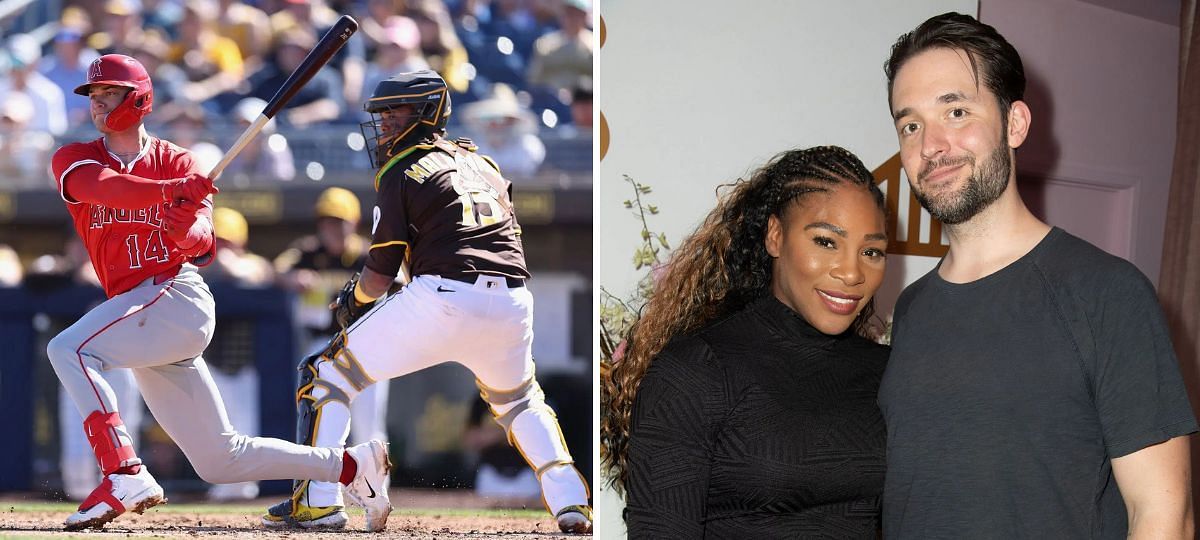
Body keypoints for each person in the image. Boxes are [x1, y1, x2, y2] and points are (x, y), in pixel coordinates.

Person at [879, 13, 1197, 539]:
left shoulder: (1108, 293)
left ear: (1015, 124)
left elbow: (1164, 517)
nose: (930, 144)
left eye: (956, 111)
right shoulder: (912, 308)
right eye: (910, 124)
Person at [46, 53, 390, 531]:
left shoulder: (178, 162)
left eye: (109, 94)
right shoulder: (76, 157)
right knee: (221, 461)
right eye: (94, 96)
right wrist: (168, 194)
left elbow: (204, 245)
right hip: (139, 314)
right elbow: (104, 189)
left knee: (68, 349)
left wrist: (187, 229)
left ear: (139, 98)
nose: (99, 104)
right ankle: (351, 466)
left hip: (174, 296)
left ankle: (123, 471)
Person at [260, 70, 593, 534]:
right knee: (519, 402)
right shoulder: (486, 164)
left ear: (423, 114)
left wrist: (353, 302)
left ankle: (316, 500)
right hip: (513, 299)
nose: (385, 125)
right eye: (383, 115)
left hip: (444, 295)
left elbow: (379, 272)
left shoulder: (401, 168)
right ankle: (571, 500)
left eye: (393, 114)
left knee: (324, 373)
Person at [600, 145, 890, 538]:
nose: (852, 272)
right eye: (825, 242)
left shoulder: (889, 372)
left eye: (871, 251)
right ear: (775, 236)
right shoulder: (694, 373)